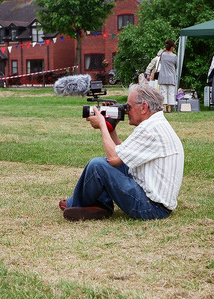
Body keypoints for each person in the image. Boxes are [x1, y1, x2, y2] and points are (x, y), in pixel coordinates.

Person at [59, 84, 184, 221]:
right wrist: (111, 127)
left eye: (128, 106)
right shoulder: (156, 124)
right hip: (155, 203)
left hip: (151, 208)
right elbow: (123, 154)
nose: (126, 110)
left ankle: (76, 204)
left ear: (144, 107)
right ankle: (100, 206)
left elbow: (113, 158)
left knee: (97, 165)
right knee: (106, 165)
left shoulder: (149, 129)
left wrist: (102, 125)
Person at [157, 39, 178, 113]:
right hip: (171, 76)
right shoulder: (174, 56)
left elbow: (158, 54)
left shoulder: (163, 55)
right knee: (171, 93)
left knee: (163, 92)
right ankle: (169, 108)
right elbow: (176, 66)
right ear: (172, 48)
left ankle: (164, 107)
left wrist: (164, 49)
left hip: (163, 76)